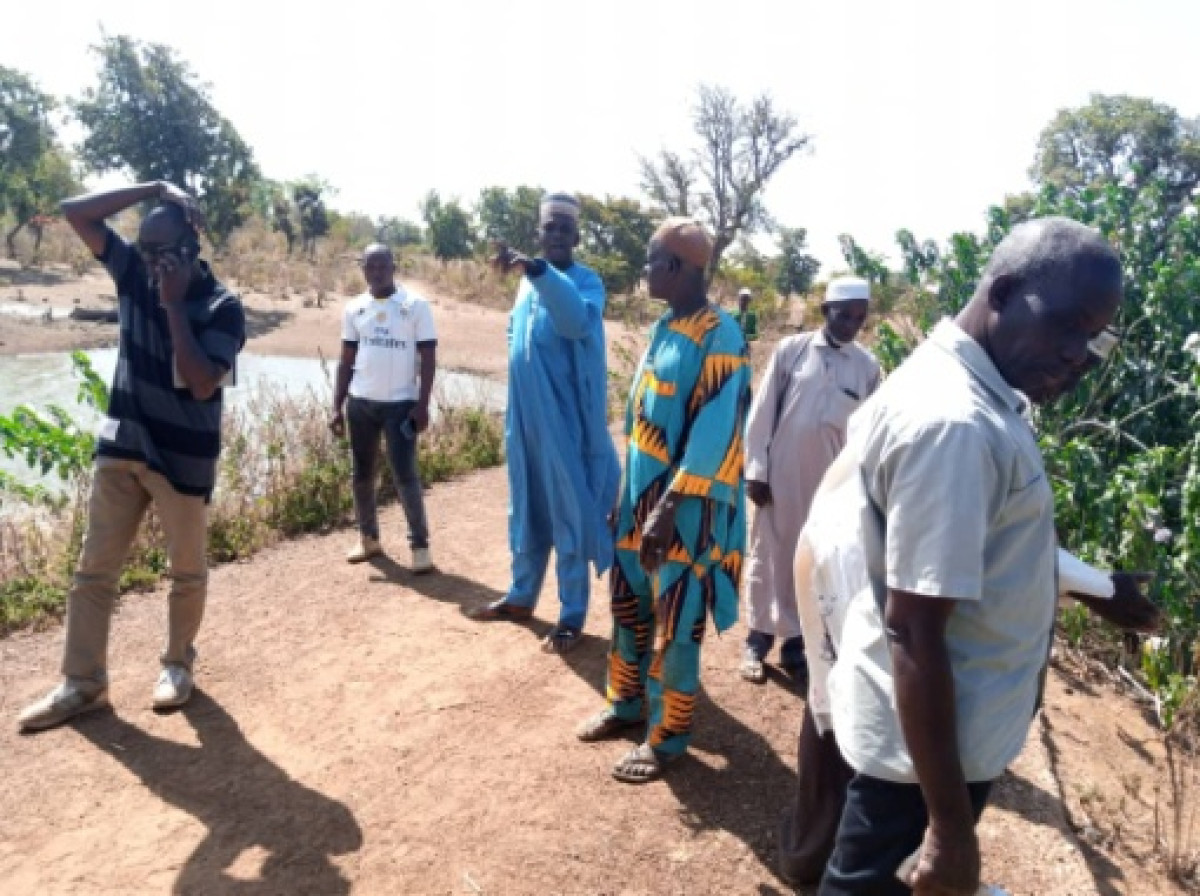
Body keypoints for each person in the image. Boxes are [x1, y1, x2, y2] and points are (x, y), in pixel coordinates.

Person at [813, 217, 1160, 895]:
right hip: (920, 761)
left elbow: (988, 542)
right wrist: (947, 829)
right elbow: (915, 628)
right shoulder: (957, 424)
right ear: (1001, 292)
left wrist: (1094, 587)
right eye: (1067, 326)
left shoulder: (975, 389)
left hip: (933, 741)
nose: (1076, 355)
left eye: (1093, 339)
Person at [18, 181, 246, 731]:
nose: (148, 261)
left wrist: (171, 307)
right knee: (93, 570)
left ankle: (176, 666)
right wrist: (152, 187)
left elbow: (198, 383)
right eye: (142, 249)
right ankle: (82, 683)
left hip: (183, 461)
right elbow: (74, 211)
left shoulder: (223, 308)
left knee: (186, 572)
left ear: (191, 249)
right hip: (122, 448)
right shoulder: (132, 275)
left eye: (160, 251)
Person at [576, 218, 751, 783]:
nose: (644, 270)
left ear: (676, 268)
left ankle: (668, 737)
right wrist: (627, 499)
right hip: (640, 504)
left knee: (677, 625)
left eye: (651, 261)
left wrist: (668, 508)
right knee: (628, 608)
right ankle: (626, 705)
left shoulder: (720, 336)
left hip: (685, 511)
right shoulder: (664, 327)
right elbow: (639, 419)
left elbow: (715, 430)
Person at [468, 193, 620, 653]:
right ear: (539, 232)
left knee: (569, 509)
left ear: (575, 236)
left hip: (565, 422)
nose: (555, 235)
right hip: (524, 419)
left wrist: (537, 271)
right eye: (548, 227)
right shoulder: (525, 287)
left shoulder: (587, 283)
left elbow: (574, 322)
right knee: (526, 507)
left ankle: (571, 614)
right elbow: (518, 338)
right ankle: (521, 596)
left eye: (563, 229)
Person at [740, 276, 880, 683]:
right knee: (772, 553)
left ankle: (796, 645)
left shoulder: (867, 367)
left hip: (831, 484)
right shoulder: (792, 351)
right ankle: (757, 641)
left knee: (817, 560)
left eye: (858, 317)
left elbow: (866, 435)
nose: (850, 324)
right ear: (825, 312)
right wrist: (757, 471)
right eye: (843, 315)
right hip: (782, 473)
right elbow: (763, 412)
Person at [330, 244, 437, 573]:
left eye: (382, 265)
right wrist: (337, 404)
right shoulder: (355, 309)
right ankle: (369, 539)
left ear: (394, 266)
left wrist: (422, 404)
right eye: (370, 266)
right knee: (362, 475)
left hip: (400, 405)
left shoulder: (414, 306)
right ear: (363, 268)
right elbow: (346, 359)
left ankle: (420, 546)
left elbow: (429, 357)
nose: (376, 272)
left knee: (405, 475)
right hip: (361, 404)